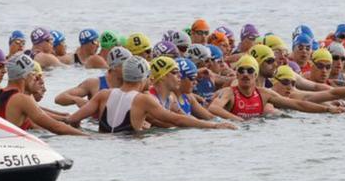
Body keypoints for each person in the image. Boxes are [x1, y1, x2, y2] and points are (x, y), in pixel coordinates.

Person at [68, 57, 236, 133]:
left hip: (103, 146)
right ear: (144, 77)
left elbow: (73, 120)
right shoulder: (143, 99)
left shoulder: (103, 94)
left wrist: (84, 134)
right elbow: (175, 119)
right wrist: (214, 127)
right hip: (127, 153)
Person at [208, 55, 345, 120]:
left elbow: (298, 105)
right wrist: (239, 121)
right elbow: (214, 108)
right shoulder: (229, 93)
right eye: (241, 70)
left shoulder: (264, 94)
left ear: (255, 75)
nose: (245, 74)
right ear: (236, 74)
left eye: (249, 71)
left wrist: (327, 109)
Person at [0, 53, 84, 135]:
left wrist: (64, 119)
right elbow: (56, 127)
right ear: (25, 76)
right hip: (9, 149)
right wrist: (88, 137)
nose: (35, 78)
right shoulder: (22, 99)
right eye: (33, 74)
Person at [55, 47, 131, 107]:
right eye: (127, 65)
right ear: (114, 67)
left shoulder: (135, 84)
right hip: (93, 125)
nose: (131, 69)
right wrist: (77, 100)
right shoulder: (94, 84)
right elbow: (60, 98)